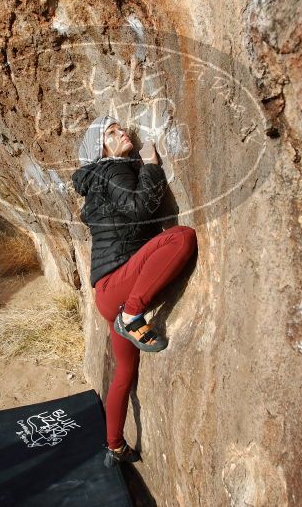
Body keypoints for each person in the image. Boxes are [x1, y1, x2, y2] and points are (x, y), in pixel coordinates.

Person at [71, 115, 198, 467]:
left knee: (124, 373)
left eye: (121, 128)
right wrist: (152, 167)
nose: (122, 133)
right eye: (111, 132)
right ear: (101, 147)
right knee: (181, 237)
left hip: (108, 293)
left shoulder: (96, 180)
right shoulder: (113, 169)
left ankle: (114, 444)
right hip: (122, 288)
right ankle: (133, 314)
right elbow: (141, 206)